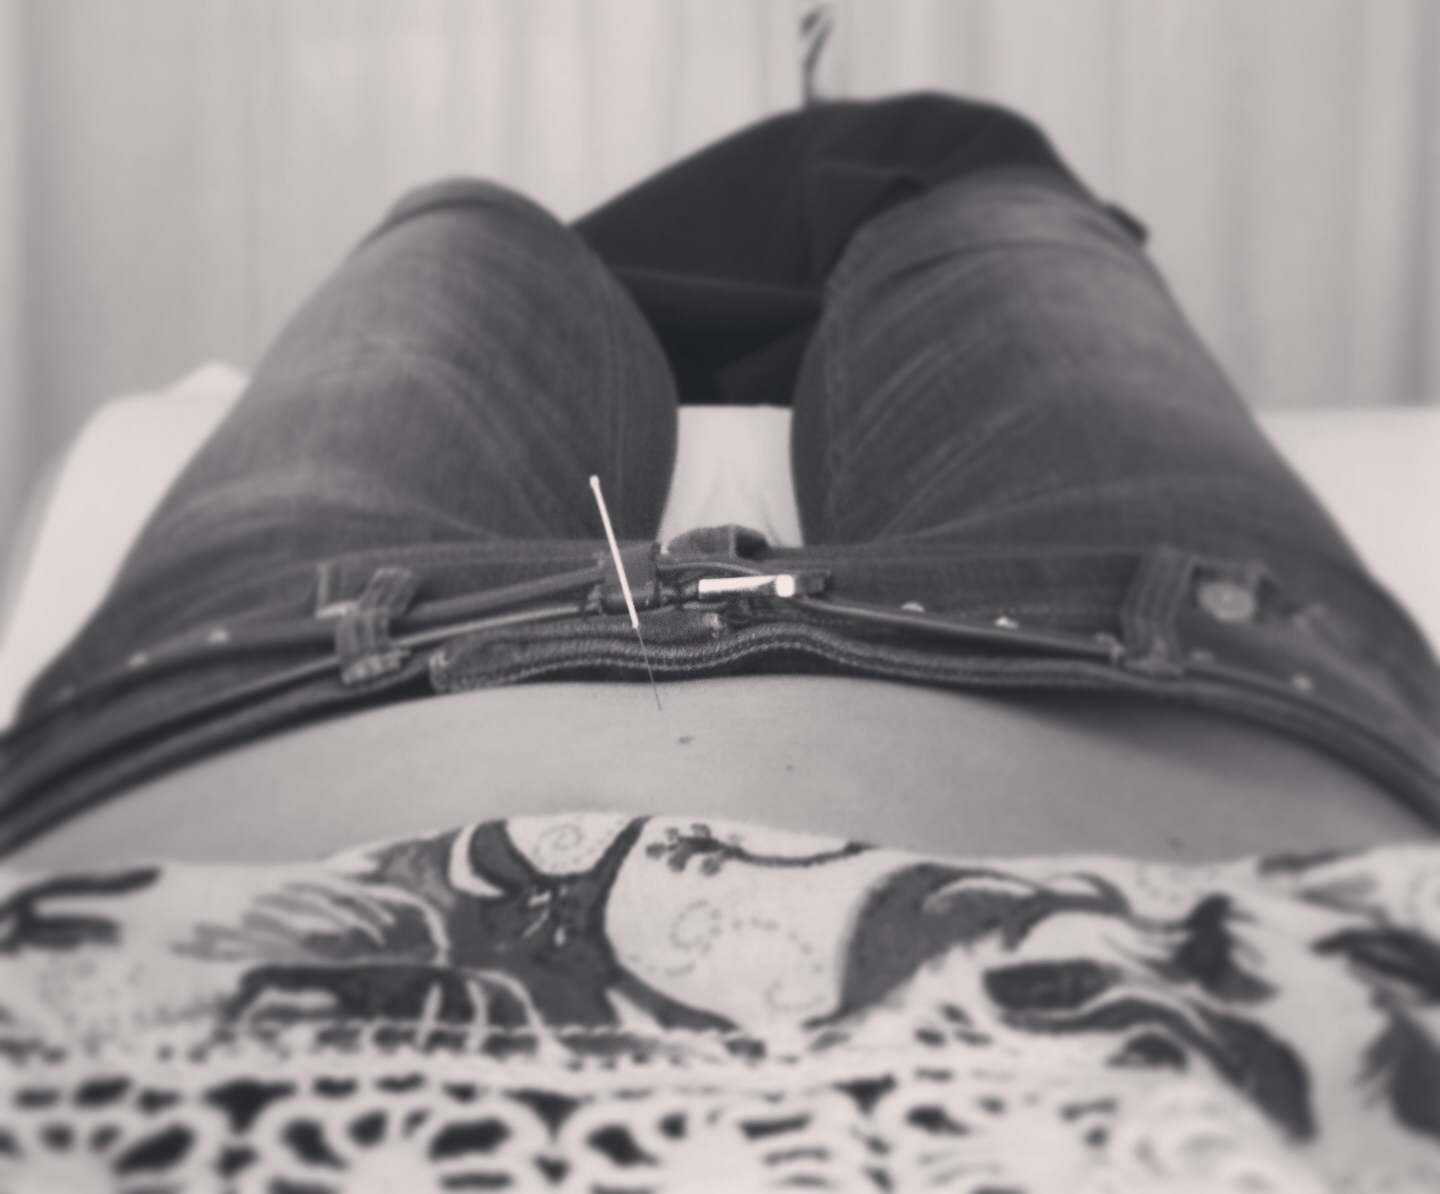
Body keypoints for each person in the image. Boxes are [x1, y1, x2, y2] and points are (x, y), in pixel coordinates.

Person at [2, 94, 1439, 1191]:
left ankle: (706, 285)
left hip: (283, 664)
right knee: (986, 200)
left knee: (465, 234)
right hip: (1172, 649)